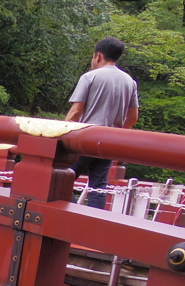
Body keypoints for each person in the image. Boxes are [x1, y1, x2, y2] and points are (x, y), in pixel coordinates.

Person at [65, 37, 140, 209]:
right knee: (98, 187)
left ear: (98, 56)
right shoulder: (130, 82)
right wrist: (118, 131)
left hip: (85, 138)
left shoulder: (90, 77)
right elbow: (133, 118)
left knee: (61, 178)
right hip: (109, 141)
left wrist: (61, 136)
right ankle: (91, 224)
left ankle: (75, 212)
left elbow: (76, 112)